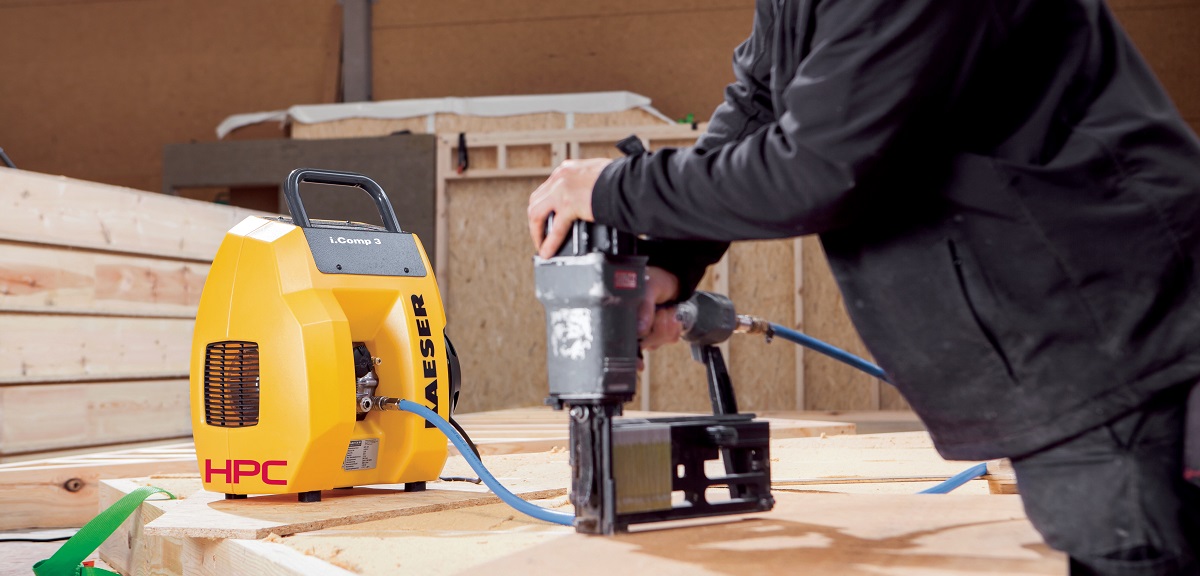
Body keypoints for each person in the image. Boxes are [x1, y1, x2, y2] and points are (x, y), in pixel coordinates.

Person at [527, 0, 1200, 574]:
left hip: (1118, 337)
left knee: (1135, 539)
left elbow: (819, 167)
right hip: (1068, 345)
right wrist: (671, 261)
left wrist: (614, 189)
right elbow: (761, 99)